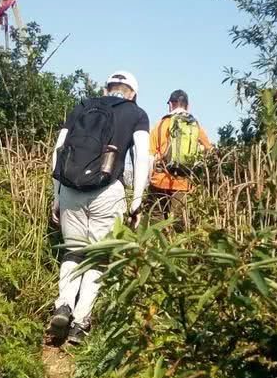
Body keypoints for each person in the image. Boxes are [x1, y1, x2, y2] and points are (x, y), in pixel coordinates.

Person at [48, 71, 150, 345]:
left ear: (106, 89)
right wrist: (137, 201)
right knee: (98, 257)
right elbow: (142, 158)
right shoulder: (136, 113)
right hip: (108, 191)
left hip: (70, 188)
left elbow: (59, 149)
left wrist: (56, 195)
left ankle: (63, 305)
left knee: (73, 251)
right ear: (133, 93)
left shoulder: (83, 106)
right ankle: (80, 324)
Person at [148, 90, 212, 223]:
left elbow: (150, 155)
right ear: (188, 106)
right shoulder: (194, 125)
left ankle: (154, 243)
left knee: (156, 221)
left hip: (159, 180)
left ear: (170, 105)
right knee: (178, 223)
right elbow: (209, 149)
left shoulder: (160, 124)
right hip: (183, 181)